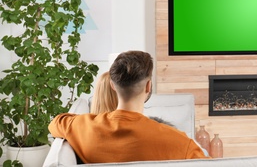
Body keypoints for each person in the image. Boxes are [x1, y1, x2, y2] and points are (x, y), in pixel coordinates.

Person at [49, 50, 209, 164]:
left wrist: (89, 121)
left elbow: (56, 123)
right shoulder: (181, 143)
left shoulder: (83, 128)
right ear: (148, 86)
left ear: (112, 85)